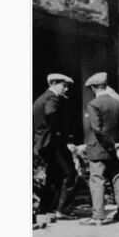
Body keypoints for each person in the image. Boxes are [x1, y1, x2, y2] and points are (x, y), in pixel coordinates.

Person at [79, 72, 119, 226]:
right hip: (116, 151)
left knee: (97, 180)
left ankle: (98, 217)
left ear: (93, 88)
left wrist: (111, 146)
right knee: (118, 180)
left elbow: (97, 129)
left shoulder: (94, 104)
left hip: (99, 150)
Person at [33, 73, 78, 219]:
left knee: (54, 175)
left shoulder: (40, 99)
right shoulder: (52, 98)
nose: (66, 89)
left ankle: (46, 208)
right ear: (54, 84)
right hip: (53, 143)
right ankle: (63, 210)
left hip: (42, 143)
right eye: (64, 86)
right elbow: (51, 112)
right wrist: (59, 135)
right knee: (69, 173)